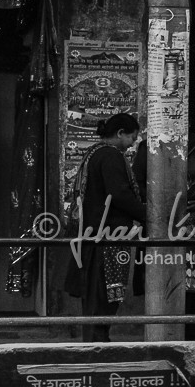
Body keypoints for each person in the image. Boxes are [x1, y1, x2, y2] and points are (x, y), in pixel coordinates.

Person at [73, 113, 143, 342]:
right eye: (132, 137)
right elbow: (119, 194)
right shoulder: (111, 156)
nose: (134, 143)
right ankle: (98, 344)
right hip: (107, 237)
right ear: (120, 133)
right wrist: (148, 215)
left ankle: (96, 342)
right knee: (104, 294)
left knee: (97, 294)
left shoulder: (94, 153)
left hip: (94, 234)